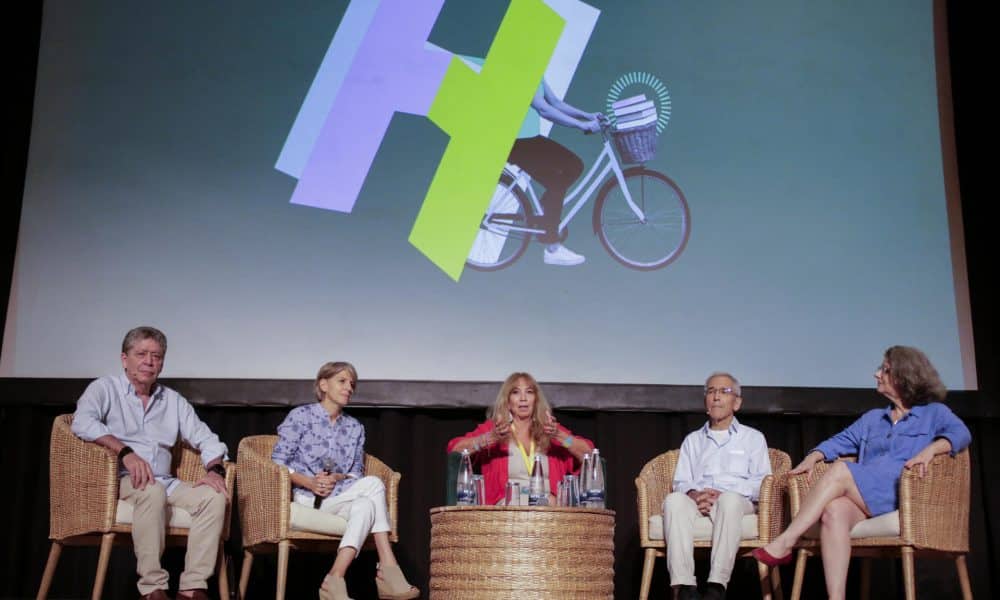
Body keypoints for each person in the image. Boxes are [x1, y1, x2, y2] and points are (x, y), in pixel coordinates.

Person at [753, 346, 972, 600]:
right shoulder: (873, 419)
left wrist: (932, 449)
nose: (876, 374)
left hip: (903, 494)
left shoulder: (934, 413)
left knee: (841, 469)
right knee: (833, 511)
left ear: (904, 376)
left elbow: (961, 433)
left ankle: (787, 540)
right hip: (867, 495)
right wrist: (813, 456)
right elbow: (839, 441)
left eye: (884, 370)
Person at [71, 326, 228, 600]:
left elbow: (206, 438)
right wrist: (125, 452)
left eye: (156, 356)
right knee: (151, 490)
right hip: (120, 479)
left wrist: (215, 469)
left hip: (165, 481)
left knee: (213, 497)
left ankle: (192, 588)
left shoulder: (172, 400)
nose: (149, 362)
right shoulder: (105, 388)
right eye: (141, 354)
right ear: (124, 359)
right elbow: (82, 422)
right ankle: (152, 587)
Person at [271, 361, 418, 600]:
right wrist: (310, 482)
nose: (349, 387)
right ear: (323, 384)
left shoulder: (355, 427)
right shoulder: (300, 416)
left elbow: (356, 473)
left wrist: (335, 477)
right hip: (306, 499)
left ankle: (335, 578)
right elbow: (277, 462)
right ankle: (387, 567)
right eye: (342, 381)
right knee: (372, 489)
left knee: (367, 500)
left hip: (338, 499)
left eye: (352, 384)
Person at [661, 372, 771, 600]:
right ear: (706, 402)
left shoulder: (753, 438)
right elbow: (681, 481)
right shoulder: (693, 440)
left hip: (737, 501)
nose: (716, 397)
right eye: (711, 391)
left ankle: (716, 586)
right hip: (699, 500)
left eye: (724, 391)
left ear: (737, 403)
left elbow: (762, 483)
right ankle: (684, 587)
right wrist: (694, 494)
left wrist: (726, 493)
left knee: (729, 501)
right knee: (673, 501)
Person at [446, 371, 594, 505]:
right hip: (507, 511)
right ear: (507, 401)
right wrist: (488, 438)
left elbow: (588, 455)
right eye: (516, 392)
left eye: (529, 392)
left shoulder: (551, 429)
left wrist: (560, 437)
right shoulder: (495, 429)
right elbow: (455, 450)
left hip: (548, 511)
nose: (523, 398)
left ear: (536, 400)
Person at [508, 79, 602, 266]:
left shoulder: (536, 72)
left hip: (529, 139)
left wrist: (587, 116)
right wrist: (581, 125)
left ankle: (546, 209)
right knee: (556, 182)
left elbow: (556, 103)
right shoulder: (521, 71)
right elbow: (543, 109)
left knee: (574, 165)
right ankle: (552, 247)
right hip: (515, 142)